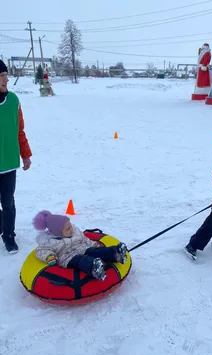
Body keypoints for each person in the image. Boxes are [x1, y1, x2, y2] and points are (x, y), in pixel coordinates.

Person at [33, 210, 128, 281]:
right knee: (81, 260)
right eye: (67, 229)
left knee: (95, 251)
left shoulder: (74, 232)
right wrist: (49, 256)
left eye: (70, 226)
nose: (71, 229)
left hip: (83, 249)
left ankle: (115, 253)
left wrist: (92, 244)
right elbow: (42, 251)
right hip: (68, 258)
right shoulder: (50, 242)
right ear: (58, 232)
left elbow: (84, 239)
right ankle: (94, 268)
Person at [0, 60, 32, 254]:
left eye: (6, 76)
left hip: (10, 163)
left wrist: (26, 155)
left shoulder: (13, 101)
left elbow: (20, 131)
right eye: (2, 76)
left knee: (8, 202)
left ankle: (9, 236)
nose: (6, 79)